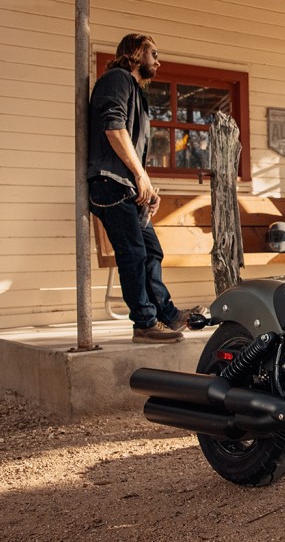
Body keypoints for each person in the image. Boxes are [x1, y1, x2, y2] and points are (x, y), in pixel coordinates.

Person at [87, 33, 204, 343]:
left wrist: (147, 187)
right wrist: (141, 177)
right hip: (110, 184)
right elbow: (114, 129)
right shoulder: (117, 78)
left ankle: (167, 314)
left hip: (129, 185)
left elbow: (132, 148)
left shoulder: (135, 90)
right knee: (134, 252)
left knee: (151, 250)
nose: (158, 60)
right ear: (135, 52)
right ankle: (144, 323)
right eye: (153, 53)